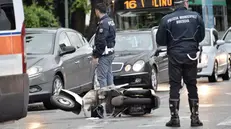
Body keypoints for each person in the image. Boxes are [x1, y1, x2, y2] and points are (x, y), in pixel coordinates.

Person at [156, 0, 205, 127]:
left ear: (174, 5)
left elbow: (160, 40)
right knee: (192, 85)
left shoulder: (167, 19)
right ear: (185, 3)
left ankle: (175, 118)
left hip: (175, 55)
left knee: (175, 85)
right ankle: (195, 117)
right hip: (191, 54)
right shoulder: (196, 16)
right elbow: (201, 36)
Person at [92, 2, 116, 115]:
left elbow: (101, 41)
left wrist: (96, 55)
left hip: (104, 55)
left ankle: (105, 105)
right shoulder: (110, 21)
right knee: (109, 77)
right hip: (110, 53)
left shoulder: (103, 23)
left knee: (102, 78)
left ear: (97, 11)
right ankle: (112, 104)